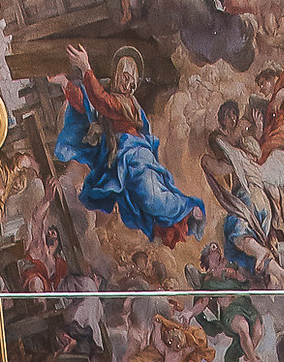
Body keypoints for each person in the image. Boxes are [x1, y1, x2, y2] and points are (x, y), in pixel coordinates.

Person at [48, 45, 205, 248]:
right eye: (125, 78)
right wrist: (66, 84)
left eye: (133, 82)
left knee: (151, 195)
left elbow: (102, 102)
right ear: (116, 75)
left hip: (135, 155)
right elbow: (87, 104)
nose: (129, 85)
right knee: (139, 203)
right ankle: (171, 226)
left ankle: (188, 209)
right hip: (122, 159)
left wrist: (86, 67)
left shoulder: (125, 103)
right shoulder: (109, 96)